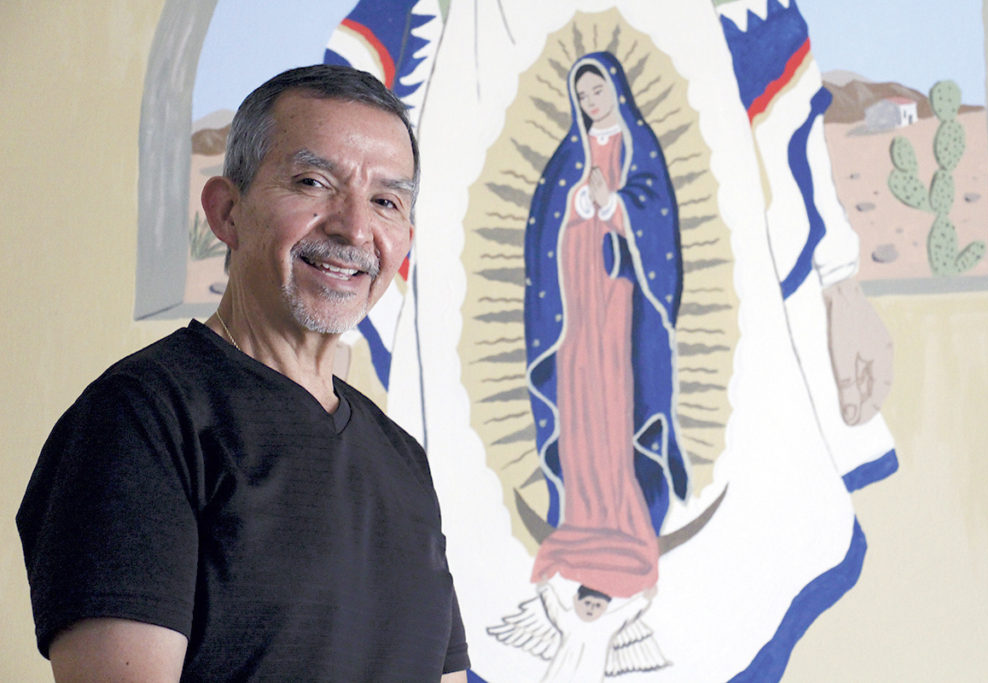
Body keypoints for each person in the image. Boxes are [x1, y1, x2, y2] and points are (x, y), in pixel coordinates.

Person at [17, 65, 469, 681]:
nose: (354, 227)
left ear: (405, 238)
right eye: (313, 183)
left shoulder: (403, 462)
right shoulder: (141, 422)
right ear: (227, 212)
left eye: (386, 202)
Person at [523, 52, 687, 600]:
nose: (592, 102)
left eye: (599, 91)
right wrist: (577, 205)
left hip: (617, 299)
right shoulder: (569, 154)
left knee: (613, 402)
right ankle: (582, 520)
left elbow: (655, 218)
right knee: (578, 402)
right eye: (584, 95)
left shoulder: (639, 148)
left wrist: (613, 204)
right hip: (574, 301)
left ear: (615, 89)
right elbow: (544, 230)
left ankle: (622, 521)